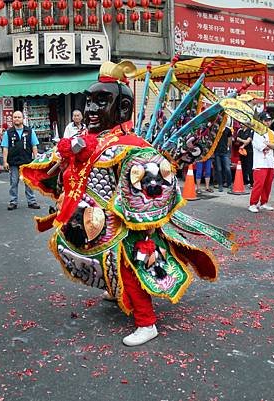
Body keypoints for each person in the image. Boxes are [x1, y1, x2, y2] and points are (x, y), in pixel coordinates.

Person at [20, 61, 225, 346]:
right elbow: (58, 170)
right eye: (89, 101)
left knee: (128, 267)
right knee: (99, 261)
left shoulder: (133, 146)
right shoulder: (85, 139)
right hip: (87, 220)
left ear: (123, 108)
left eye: (101, 102)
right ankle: (113, 289)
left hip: (121, 222)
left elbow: (154, 188)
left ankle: (146, 322)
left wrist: (131, 219)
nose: (91, 110)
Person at [2, 110, 40, 211]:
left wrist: (36, 159)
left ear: (23, 119)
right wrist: (5, 161)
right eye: (15, 117)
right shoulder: (8, 133)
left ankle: (31, 201)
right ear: (12, 119)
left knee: (29, 182)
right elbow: (5, 147)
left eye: (19, 117)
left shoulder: (30, 131)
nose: (17, 119)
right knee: (14, 182)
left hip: (27, 161)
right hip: (13, 162)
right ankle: (13, 201)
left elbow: (34, 145)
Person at [248, 112, 274, 212]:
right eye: (266, 120)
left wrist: (269, 144)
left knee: (268, 184)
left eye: (269, 120)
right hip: (260, 163)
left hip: (270, 163)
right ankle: (253, 204)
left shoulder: (271, 132)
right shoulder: (256, 133)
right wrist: (271, 145)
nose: (268, 122)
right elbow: (262, 146)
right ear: (261, 121)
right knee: (259, 184)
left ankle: (264, 202)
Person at [214, 124, 232, 192]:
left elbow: (229, 140)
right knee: (219, 169)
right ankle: (220, 185)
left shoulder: (228, 130)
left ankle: (229, 184)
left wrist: (227, 147)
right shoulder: (216, 129)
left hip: (224, 152)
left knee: (227, 168)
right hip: (217, 152)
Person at [235, 123, 254, 187]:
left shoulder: (250, 130)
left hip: (249, 151)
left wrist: (243, 144)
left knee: (249, 167)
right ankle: (244, 181)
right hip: (241, 151)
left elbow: (248, 141)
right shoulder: (240, 131)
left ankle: (252, 182)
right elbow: (237, 138)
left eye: (242, 123)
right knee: (243, 166)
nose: (240, 124)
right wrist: (243, 141)